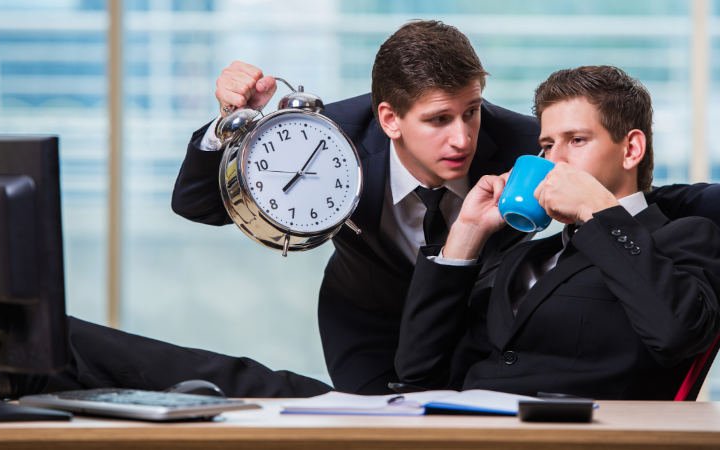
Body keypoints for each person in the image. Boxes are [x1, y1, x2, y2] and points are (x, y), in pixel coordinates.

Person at [171, 20, 718, 395]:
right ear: (390, 119)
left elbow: (635, 188)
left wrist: (604, 206)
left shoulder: (529, 145)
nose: (462, 139)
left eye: (471, 112)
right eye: (437, 120)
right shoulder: (329, 141)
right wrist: (228, 126)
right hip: (366, 312)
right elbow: (198, 202)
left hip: (471, 325)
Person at [394, 66, 720, 399]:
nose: (556, 160)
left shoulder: (686, 238)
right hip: (470, 421)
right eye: (548, 145)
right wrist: (467, 232)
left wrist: (598, 211)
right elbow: (419, 371)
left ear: (631, 149)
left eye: (577, 140)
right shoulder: (523, 256)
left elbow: (677, 333)